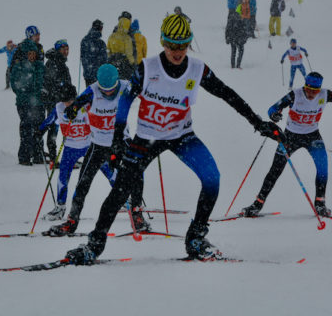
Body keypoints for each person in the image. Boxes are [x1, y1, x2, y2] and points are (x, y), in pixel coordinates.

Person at [63, 14, 282, 265]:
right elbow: (125, 101)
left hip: (182, 137)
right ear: (163, 43)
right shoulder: (148, 68)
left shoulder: (197, 69)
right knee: (120, 190)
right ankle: (94, 245)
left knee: (212, 179)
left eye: (182, 46)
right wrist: (116, 142)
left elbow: (227, 94)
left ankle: (196, 239)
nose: (177, 52)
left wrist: (257, 123)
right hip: (146, 138)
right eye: (171, 46)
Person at [48, 64, 148, 236]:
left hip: (121, 141)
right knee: (83, 183)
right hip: (98, 145)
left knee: (137, 173)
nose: (108, 93)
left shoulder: (126, 87)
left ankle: (137, 214)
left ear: (117, 82)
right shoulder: (92, 91)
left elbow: (147, 94)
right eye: (104, 89)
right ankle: (72, 220)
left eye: (111, 89)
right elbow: (75, 104)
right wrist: (71, 111)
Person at [242, 72, 331, 217]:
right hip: (290, 137)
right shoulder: (295, 95)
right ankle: (257, 204)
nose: (311, 94)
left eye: (315, 91)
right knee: (275, 170)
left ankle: (320, 204)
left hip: (313, 136)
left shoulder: (325, 94)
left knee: (323, 168)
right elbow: (272, 109)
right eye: (308, 89)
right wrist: (274, 115)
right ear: (305, 86)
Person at [39, 83, 116, 221]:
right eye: (64, 101)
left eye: (70, 101)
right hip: (69, 148)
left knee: (108, 170)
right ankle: (60, 207)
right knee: (63, 177)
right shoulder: (59, 108)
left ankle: (124, 198)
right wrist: (38, 132)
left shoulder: (85, 107)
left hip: (88, 146)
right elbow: (48, 122)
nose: (67, 104)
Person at [10, 39, 45, 165]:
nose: (32, 56)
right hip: (24, 103)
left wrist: (43, 92)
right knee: (26, 129)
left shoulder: (40, 66)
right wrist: (25, 93)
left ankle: (38, 154)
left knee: (40, 129)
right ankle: (24, 156)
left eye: (34, 54)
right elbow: (14, 84)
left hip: (39, 103)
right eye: (29, 54)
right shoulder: (18, 67)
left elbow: (44, 82)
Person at [41, 39, 72, 162]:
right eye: (63, 49)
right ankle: (53, 157)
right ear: (58, 50)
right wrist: (60, 93)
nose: (66, 51)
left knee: (55, 126)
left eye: (67, 49)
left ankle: (51, 154)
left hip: (61, 100)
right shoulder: (53, 63)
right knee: (53, 127)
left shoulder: (60, 62)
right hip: (55, 101)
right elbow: (50, 83)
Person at [107, 12, 135, 80]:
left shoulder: (112, 36)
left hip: (113, 63)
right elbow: (129, 54)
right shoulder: (127, 38)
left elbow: (108, 51)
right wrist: (133, 64)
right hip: (124, 66)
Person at [80, 19, 108, 87]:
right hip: (99, 77)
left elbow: (83, 58)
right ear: (101, 28)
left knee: (90, 95)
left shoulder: (84, 40)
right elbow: (104, 60)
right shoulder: (101, 43)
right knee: (98, 97)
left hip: (87, 76)